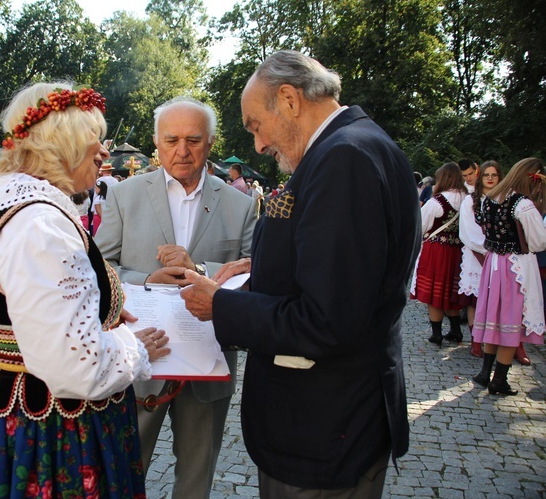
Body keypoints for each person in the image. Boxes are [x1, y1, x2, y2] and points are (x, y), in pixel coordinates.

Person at [179, 50, 421, 497]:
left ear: (289, 99)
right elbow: (350, 267)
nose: (257, 145)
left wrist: (221, 305)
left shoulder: (342, 159)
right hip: (335, 422)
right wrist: (266, 263)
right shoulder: (358, 144)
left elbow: (328, 320)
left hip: (325, 430)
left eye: (255, 125)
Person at [0, 81, 170, 498]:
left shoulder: (29, 210)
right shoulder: (39, 224)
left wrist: (104, 310)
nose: (105, 152)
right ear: (62, 143)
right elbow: (78, 369)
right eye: (96, 139)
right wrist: (131, 344)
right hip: (53, 428)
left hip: (32, 411)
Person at [94, 95, 257, 499]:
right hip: (141, 358)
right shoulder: (125, 195)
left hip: (209, 360)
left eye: (193, 140)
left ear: (211, 142)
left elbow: (255, 279)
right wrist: (147, 277)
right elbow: (97, 268)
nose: (181, 151)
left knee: (195, 481)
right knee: (126, 472)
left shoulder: (241, 204)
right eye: (171, 140)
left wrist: (197, 272)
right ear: (155, 141)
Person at [471, 157, 546, 396]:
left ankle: (485, 373)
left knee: (495, 318)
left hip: (494, 262)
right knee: (510, 320)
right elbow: (539, 241)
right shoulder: (522, 204)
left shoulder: (490, 199)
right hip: (516, 264)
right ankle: (499, 380)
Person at [410, 162, 470, 346]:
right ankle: (456, 330)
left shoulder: (437, 202)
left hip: (437, 251)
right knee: (452, 292)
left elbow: (420, 226)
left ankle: (436, 333)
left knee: (435, 292)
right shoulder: (468, 200)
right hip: (459, 252)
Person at [458, 160, 503, 357]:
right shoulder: (470, 201)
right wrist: (486, 248)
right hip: (477, 253)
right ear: (481, 176)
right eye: (487, 175)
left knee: (500, 298)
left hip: (501, 254)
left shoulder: (505, 198)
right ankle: (476, 341)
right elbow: (467, 232)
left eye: (494, 175)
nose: (491, 179)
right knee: (475, 299)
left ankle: (503, 340)